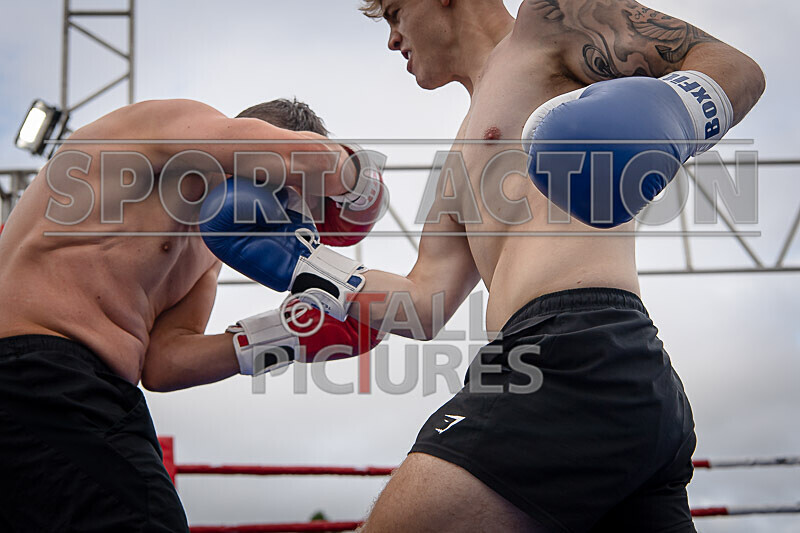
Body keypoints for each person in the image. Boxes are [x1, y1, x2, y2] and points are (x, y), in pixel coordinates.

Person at [200, 1, 765, 531]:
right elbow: (423, 305)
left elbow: (734, 68)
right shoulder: (456, 163)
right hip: (589, 369)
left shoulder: (550, 21)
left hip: (572, 352)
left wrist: (668, 113)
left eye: (395, 13)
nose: (393, 38)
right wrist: (303, 262)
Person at [0, 97, 382, 532]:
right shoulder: (170, 124)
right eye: (293, 202)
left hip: (92, 393)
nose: (287, 219)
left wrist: (288, 335)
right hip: (34, 370)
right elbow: (304, 156)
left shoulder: (209, 247)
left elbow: (163, 361)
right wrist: (360, 181)